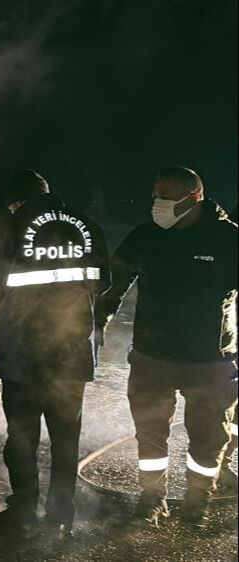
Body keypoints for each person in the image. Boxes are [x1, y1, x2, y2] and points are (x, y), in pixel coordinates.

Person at [0, 170, 109, 540]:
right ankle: (61, 514)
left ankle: (24, 510)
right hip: (72, 354)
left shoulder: (13, 228)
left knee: (23, 436)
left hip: (22, 356)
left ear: (16, 201)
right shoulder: (87, 226)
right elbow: (103, 281)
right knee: (66, 439)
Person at [97, 166, 238, 528]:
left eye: (167, 197)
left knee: (206, 442)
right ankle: (151, 501)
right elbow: (114, 284)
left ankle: (196, 505)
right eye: (155, 196)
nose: (158, 204)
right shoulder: (145, 237)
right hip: (151, 356)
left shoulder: (228, 240)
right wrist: (97, 322)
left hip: (208, 360)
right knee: (150, 434)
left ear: (195, 198)